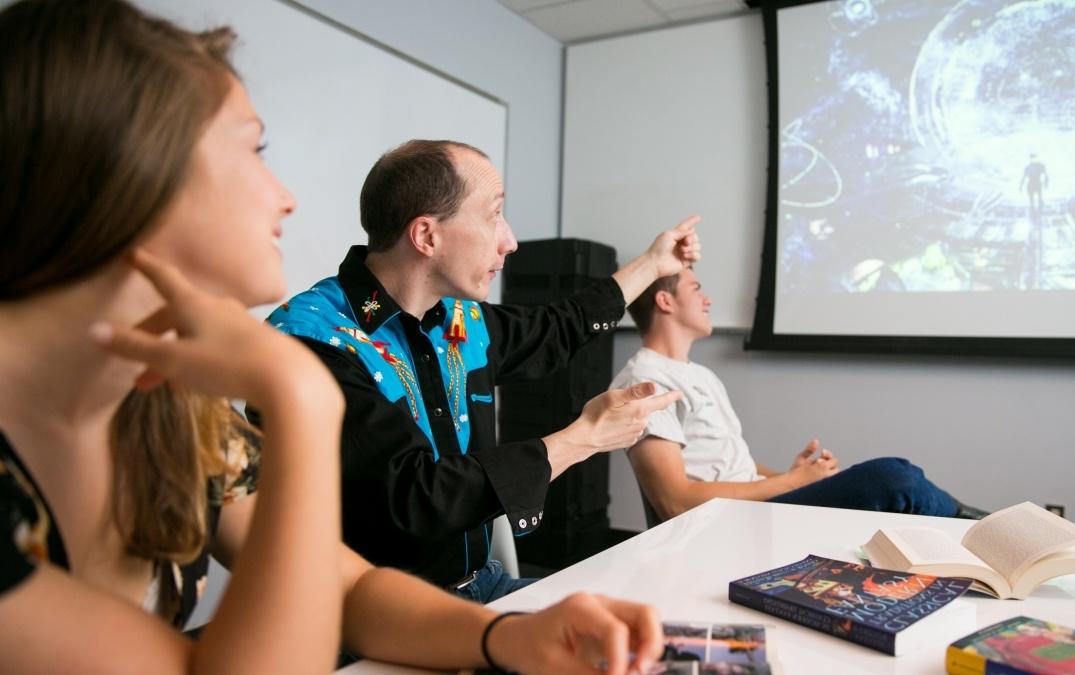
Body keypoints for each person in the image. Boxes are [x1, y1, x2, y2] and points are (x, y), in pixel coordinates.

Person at [0, 2, 663, 673]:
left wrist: (508, 638)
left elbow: (350, 587)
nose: (284, 195)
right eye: (252, 148)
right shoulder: (304, 342)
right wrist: (300, 398)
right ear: (125, 169)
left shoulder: (175, 413)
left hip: (449, 601)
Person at [267, 137, 700, 601]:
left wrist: (654, 264)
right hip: (379, 610)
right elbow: (418, 498)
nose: (509, 241)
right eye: (494, 215)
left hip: (482, 583)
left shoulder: (460, 321)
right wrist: (584, 437)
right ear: (427, 236)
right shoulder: (313, 342)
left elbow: (559, 327)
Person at [613, 267, 987, 525]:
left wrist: (797, 477)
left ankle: (984, 531)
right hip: (726, 524)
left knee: (896, 475)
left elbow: (732, 465)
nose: (708, 299)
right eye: (696, 288)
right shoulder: (645, 379)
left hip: (753, 507)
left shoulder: (701, 374)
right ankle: (983, 530)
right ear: (665, 301)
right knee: (891, 477)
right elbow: (675, 502)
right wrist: (793, 484)